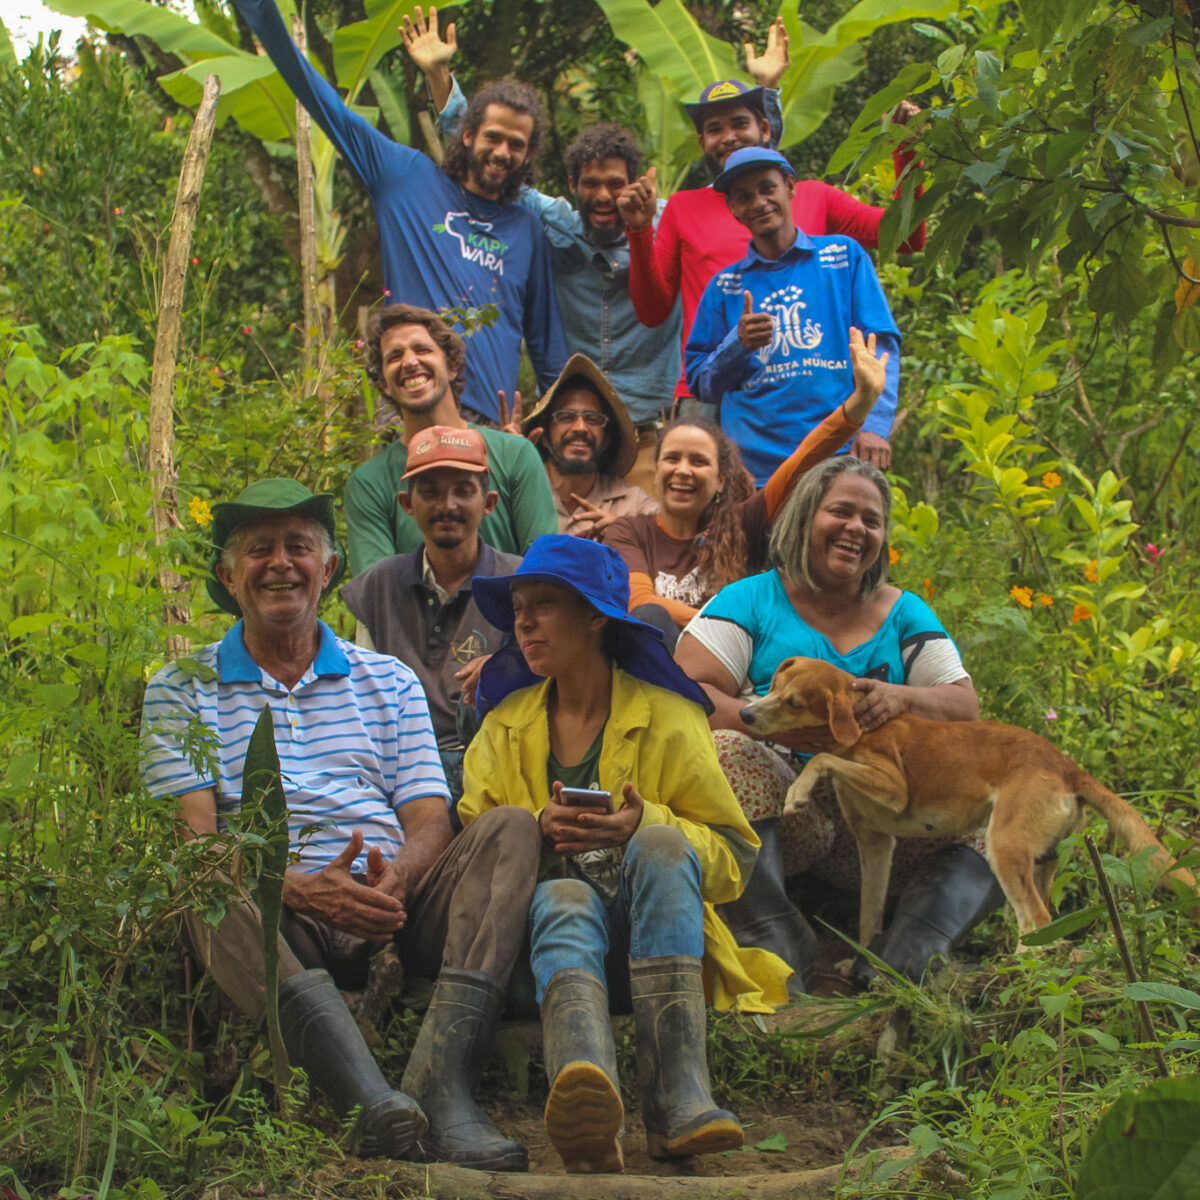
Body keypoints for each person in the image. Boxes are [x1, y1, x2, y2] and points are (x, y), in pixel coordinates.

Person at [140, 479, 540, 1170]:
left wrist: (397, 878)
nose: (280, 563)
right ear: (227, 575)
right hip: (277, 919)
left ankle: (442, 1091)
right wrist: (294, 887)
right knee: (201, 876)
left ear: (328, 571)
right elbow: (194, 835)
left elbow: (427, 820)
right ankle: (367, 1101)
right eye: (259, 549)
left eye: (300, 547)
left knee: (510, 828)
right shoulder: (181, 688)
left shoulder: (386, 679)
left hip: (393, 906)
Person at [457, 535, 789, 1173]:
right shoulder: (505, 723)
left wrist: (640, 826)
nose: (522, 621)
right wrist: (535, 828)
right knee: (564, 894)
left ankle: (682, 1100)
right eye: (517, 606)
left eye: (544, 604)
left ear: (595, 617)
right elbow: (476, 849)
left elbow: (732, 858)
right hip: (540, 956)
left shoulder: (669, 716)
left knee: (664, 840)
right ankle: (587, 1098)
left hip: (659, 937)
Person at [403, 8, 788, 487]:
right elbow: (493, 163)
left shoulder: (670, 221)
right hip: (573, 438)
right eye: (591, 185)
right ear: (573, 185)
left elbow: (752, 182)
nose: (605, 197)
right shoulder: (557, 224)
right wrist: (439, 74)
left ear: (638, 184)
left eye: (616, 184)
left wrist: (768, 97)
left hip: (651, 439)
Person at [674, 457, 1004, 990]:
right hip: (788, 818)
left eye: (871, 521)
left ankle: (905, 956)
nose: (856, 529)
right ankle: (775, 937)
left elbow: (963, 704)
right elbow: (684, 696)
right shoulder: (752, 599)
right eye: (841, 512)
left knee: (1005, 802)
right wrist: (774, 727)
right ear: (805, 517)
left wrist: (899, 697)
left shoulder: (903, 611)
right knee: (730, 748)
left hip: (884, 818)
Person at [231, 0, 566, 424]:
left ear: (529, 153)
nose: (502, 152)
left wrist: (557, 429)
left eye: (516, 145)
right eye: (493, 138)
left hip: (491, 429)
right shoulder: (405, 179)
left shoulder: (528, 230)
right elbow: (325, 105)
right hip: (410, 412)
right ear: (466, 135)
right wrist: (260, 12)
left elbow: (548, 346)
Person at [621, 56, 924, 447]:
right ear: (702, 143)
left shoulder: (814, 196)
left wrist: (908, 155)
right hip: (711, 391)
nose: (728, 136)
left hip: (807, 387)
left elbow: (906, 237)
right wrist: (640, 230)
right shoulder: (683, 206)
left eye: (739, 123)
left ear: (765, 128)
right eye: (714, 129)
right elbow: (652, 311)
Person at [603, 325, 887, 645]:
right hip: (662, 672)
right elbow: (641, 604)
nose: (683, 470)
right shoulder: (629, 532)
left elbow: (801, 463)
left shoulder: (743, 523)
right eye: (672, 459)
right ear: (656, 473)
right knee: (650, 620)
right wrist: (731, 623)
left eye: (698, 462)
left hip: (733, 671)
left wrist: (861, 403)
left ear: (721, 480)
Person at [684, 148, 901, 485]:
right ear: (734, 209)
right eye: (744, 197)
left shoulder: (843, 257)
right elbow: (700, 383)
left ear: (789, 186)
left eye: (767, 188)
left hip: (838, 457)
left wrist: (874, 426)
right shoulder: (724, 287)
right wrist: (737, 345)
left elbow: (882, 347)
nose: (758, 202)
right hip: (751, 472)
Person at [341, 426, 521, 802]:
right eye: (430, 492)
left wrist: (507, 667)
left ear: (488, 502)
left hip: (500, 771)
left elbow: (558, 684)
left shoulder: (522, 581)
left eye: (463, 491)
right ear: (407, 504)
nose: (447, 505)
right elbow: (363, 696)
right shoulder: (379, 585)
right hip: (400, 774)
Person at [344, 304, 556, 572]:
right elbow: (378, 595)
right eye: (394, 356)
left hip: (513, 610)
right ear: (384, 383)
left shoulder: (514, 455)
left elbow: (546, 567)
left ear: (452, 366)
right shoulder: (369, 484)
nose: (410, 362)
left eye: (422, 349)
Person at [518, 354, 657, 539]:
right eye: (566, 417)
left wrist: (625, 531)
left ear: (607, 439)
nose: (580, 428)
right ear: (544, 435)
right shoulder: (520, 493)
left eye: (593, 419)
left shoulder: (633, 503)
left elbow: (672, 540)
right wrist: (509, 463)